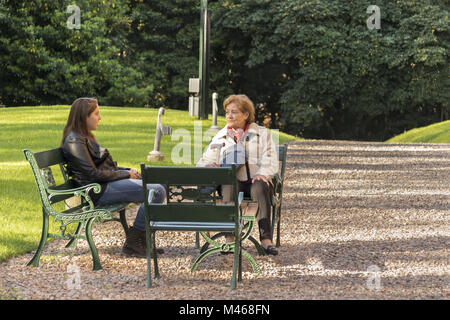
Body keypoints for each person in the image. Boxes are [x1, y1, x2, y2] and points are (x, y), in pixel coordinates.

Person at [61, 97, 166, 258]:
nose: (100, 118)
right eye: (96, 114)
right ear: (84, 116)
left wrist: (126, 170)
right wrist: (125, 174)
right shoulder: (75, 140)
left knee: (159, 185)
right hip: (96, 191)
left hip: (103, 185)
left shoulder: (83, 136)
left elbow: (101, 167)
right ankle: (134, 242)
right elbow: (93, 174)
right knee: (156, 191)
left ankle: (141, 240)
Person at [196, 94, 279, 255]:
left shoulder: (262, 133)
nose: (229, 115)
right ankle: (230, 239)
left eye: (234, 112)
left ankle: (266, 240)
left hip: (254, 180)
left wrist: (262, 173)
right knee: (228, 182)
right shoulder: (220, 135)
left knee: (260, 186)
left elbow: (270, 158)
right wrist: (210, 165)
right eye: (227, 112)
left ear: (246, 114)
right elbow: (203, 161)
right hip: (234, 182)